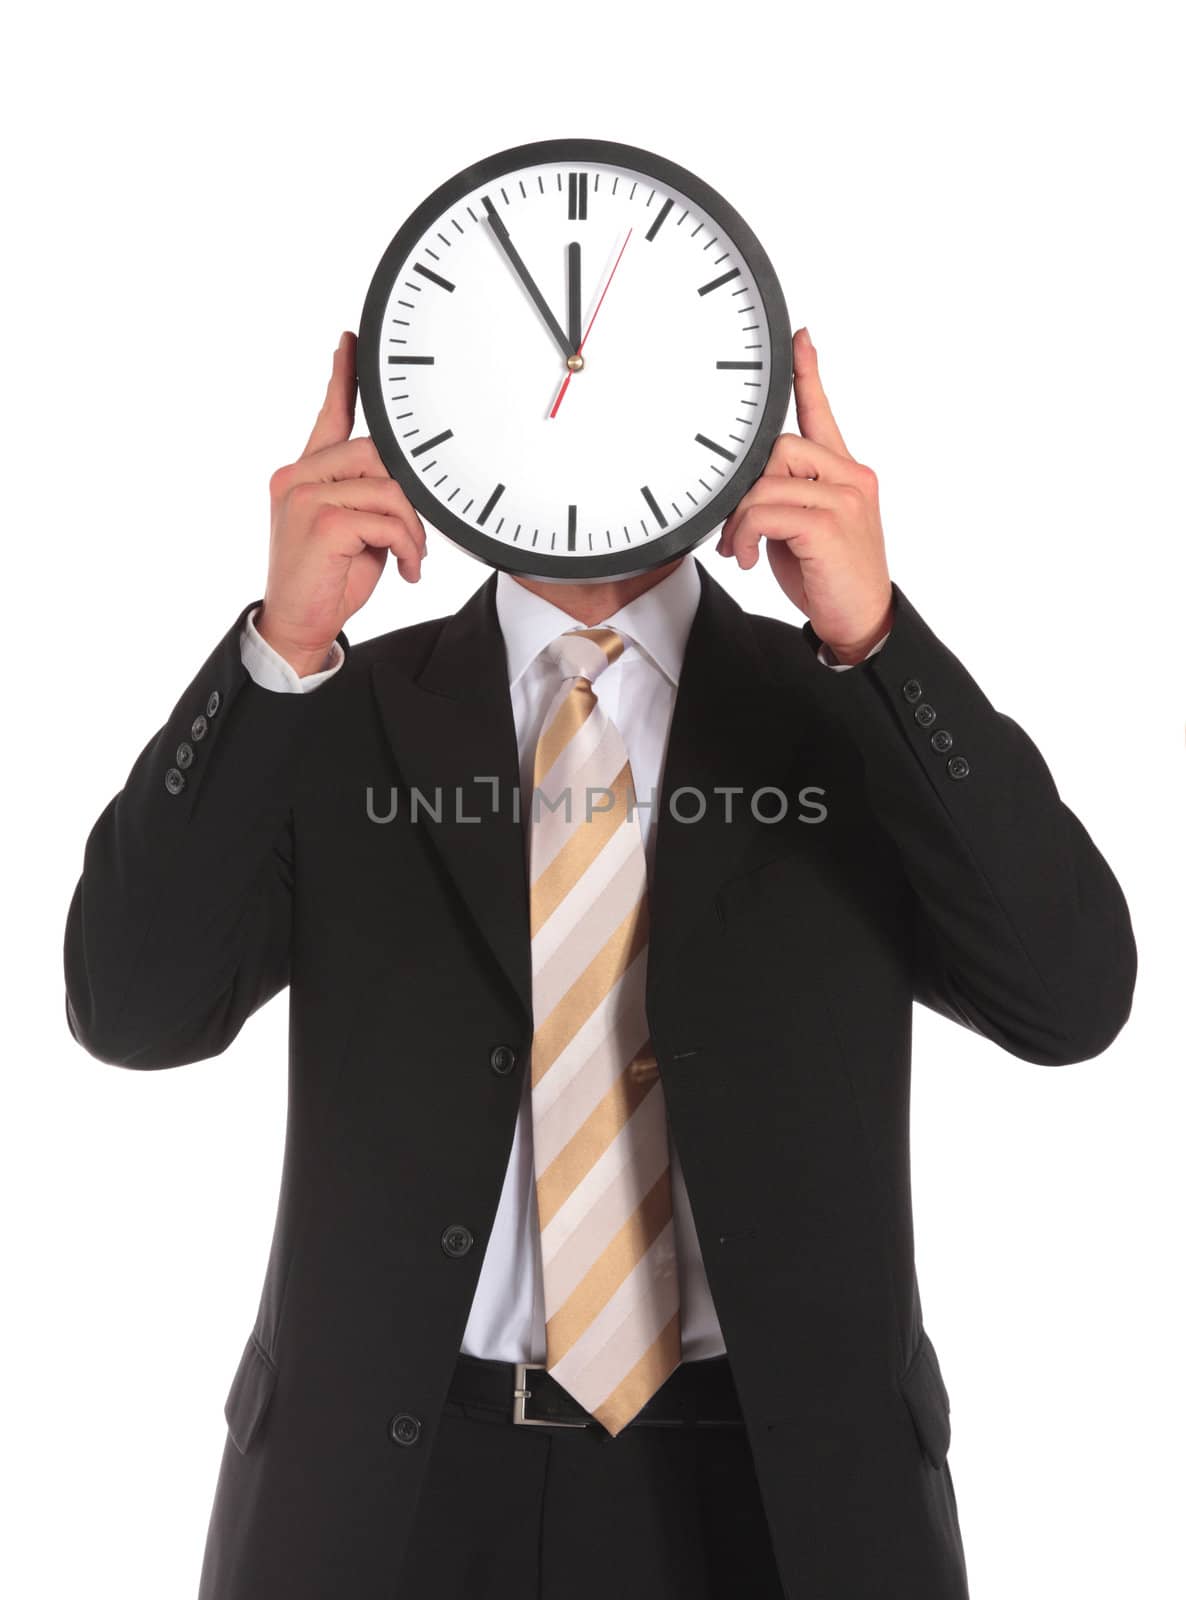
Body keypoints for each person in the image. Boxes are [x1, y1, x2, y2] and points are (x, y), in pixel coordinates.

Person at [62, 324, 1136, 1599]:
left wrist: (880, 643)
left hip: (780, 1498)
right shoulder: (339, 710)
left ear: (742, 413)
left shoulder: (843, 714)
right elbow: (132, 1008)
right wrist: (278, 651)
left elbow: (1068, 999)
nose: (578, 408)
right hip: (390, 1499)